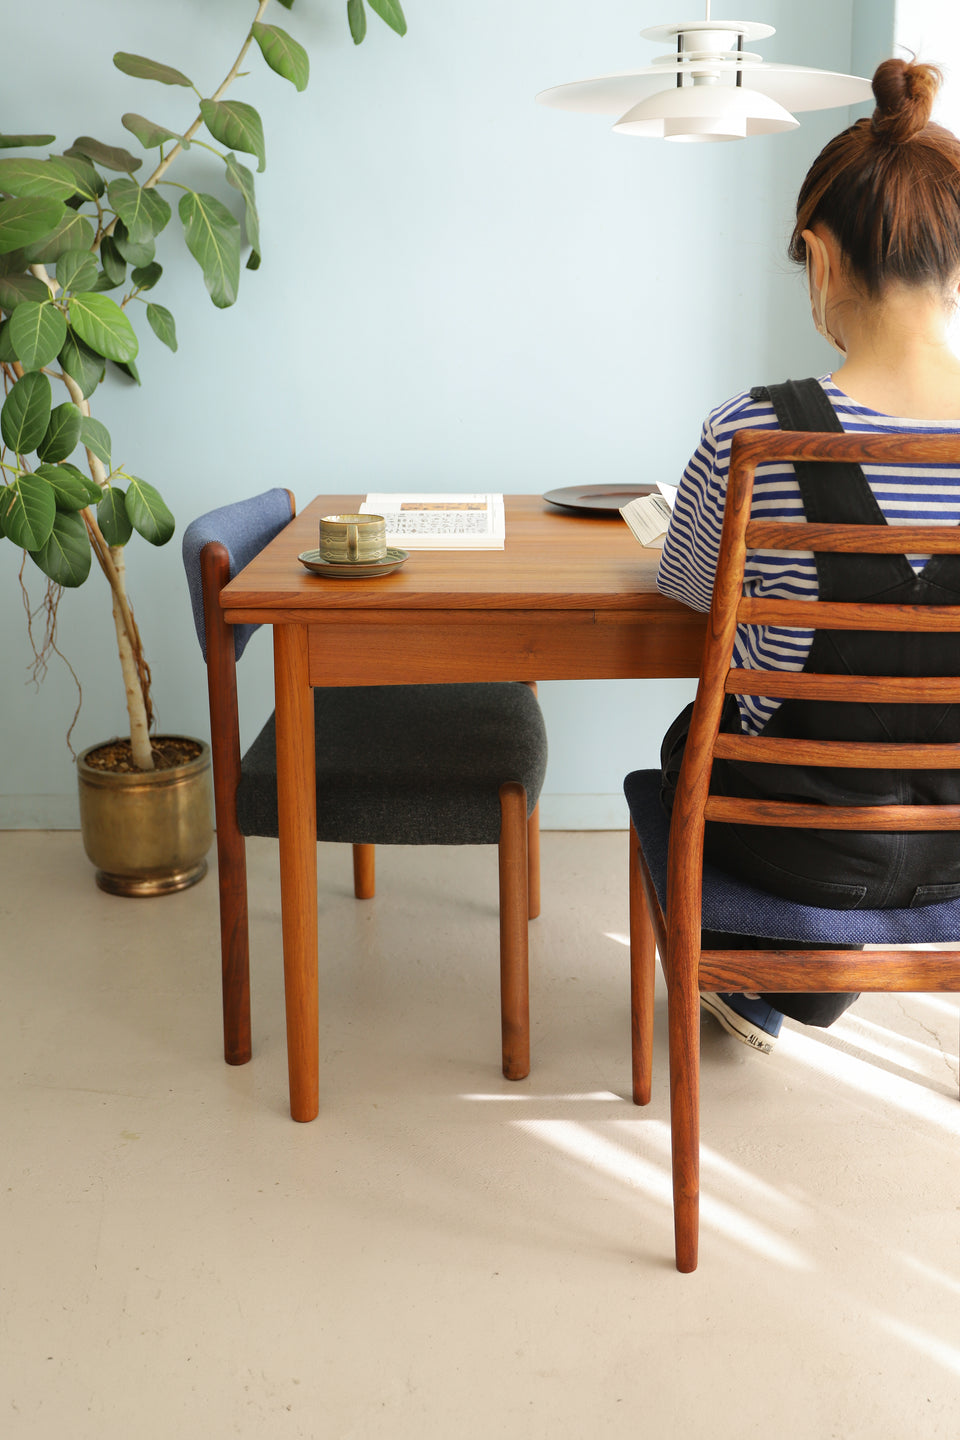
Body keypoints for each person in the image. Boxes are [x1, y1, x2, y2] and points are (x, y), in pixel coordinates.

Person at [656, 57, 960, 1054]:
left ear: (819, 256)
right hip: (956, 850)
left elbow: (690, 596)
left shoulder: (754, 435)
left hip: (800, 851)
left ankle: (778, 982)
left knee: (685, 743)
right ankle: (788, 991)